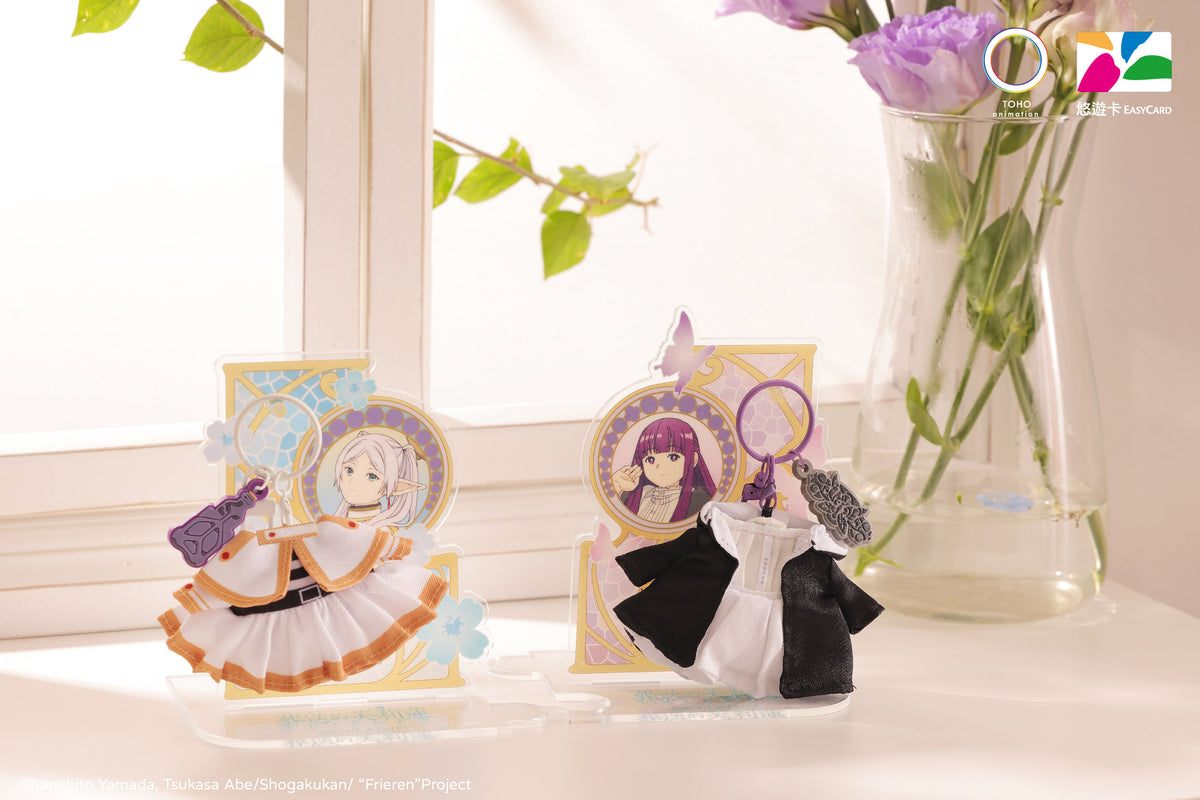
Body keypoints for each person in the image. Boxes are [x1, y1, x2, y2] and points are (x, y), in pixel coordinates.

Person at [158, 432, 445, 694]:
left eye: (371, 475)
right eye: (349, 470)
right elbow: (213, 591)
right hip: (274, 619)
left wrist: (395, 546)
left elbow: (378, 544)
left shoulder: (332, 532)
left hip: (339, 603)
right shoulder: (247, 551)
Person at [612, 417, 716, 524]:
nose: (659, 466)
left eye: (673, 457)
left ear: (693, 459)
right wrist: (616, 487)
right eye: (650, 459)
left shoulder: (700, 501)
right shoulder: (633, 496)